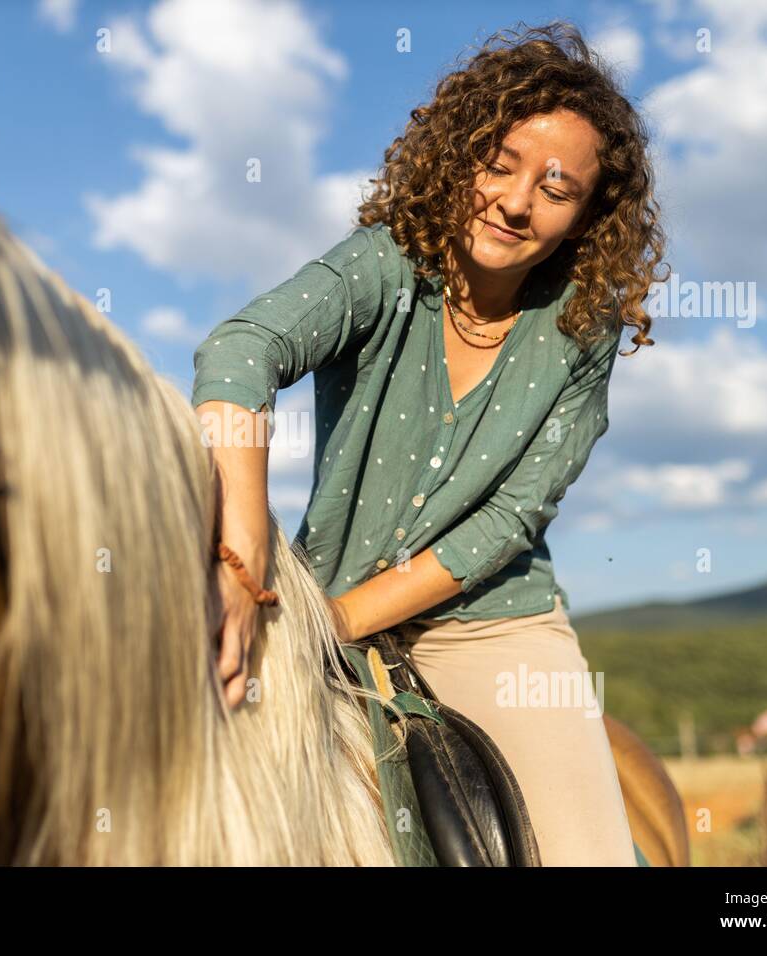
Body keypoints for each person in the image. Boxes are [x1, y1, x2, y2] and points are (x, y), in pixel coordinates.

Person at [191, 22, 665, 865]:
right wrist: (244, 544)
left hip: (492, 628)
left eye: (558, 188)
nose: (517, 202)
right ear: (460, 157)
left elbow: (508, 522)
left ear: (589, 216)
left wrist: (336, 621)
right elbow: (240, 350)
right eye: (501, 162)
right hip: (310, 600)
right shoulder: (382, 267)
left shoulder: (582, 332)